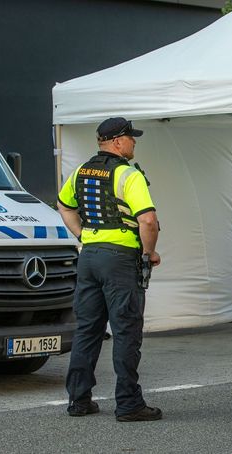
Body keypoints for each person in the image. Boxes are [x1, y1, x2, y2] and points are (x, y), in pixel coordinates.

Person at [57, 117, 162, 422]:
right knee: (126, 331)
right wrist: (149, 252)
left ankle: (79, 400)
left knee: (88, 330)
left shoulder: (80, 171)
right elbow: (147, 220)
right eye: (131, 138)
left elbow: (65, 205)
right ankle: (129, 404)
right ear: (117, 142)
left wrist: (82, 235)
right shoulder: (129, 175)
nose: (134, 143)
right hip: (120, 259)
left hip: (89, 257)